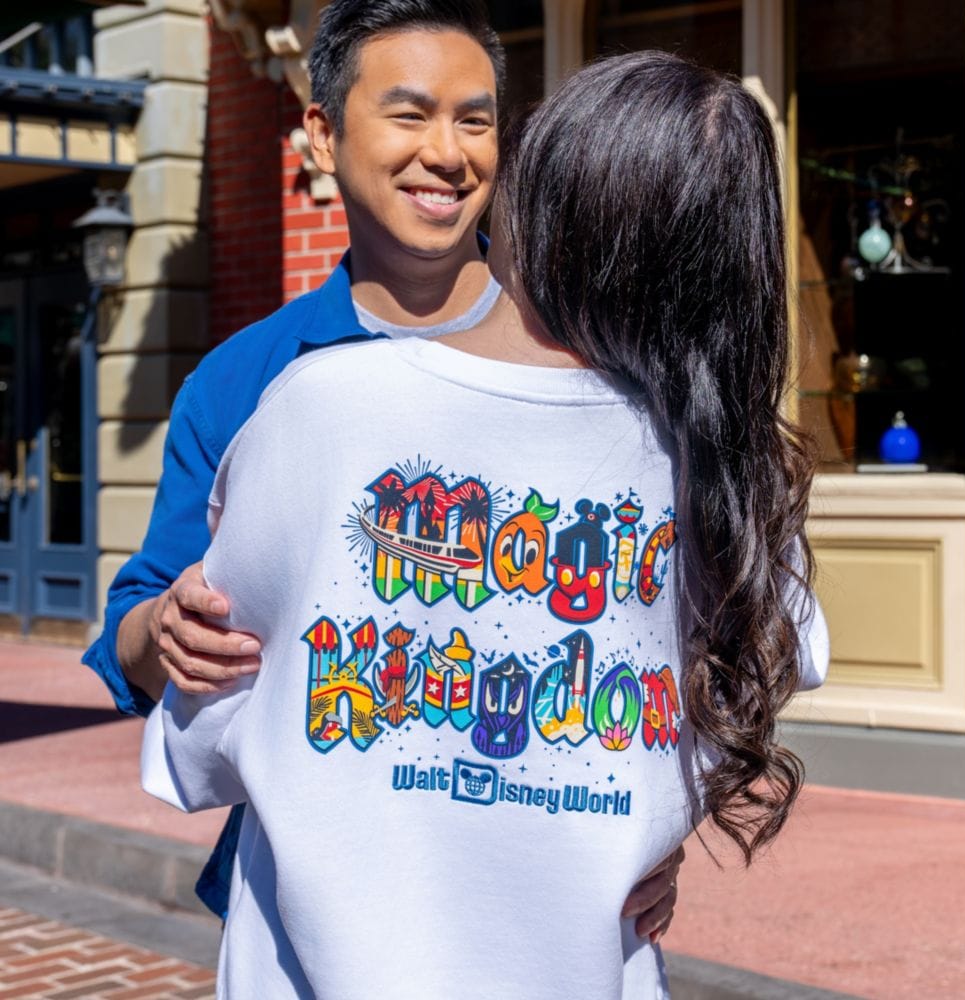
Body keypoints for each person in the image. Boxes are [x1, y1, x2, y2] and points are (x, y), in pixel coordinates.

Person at [141, 49, 828, 999]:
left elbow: (206, 736)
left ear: (531, 193)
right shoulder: (723, 465)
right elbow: (768, 672)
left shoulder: (321, 409)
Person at [85, 0, 681, 934]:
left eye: (475, 120)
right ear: (321, 133)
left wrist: (658, 817)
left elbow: (661, 630)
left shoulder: (586, 355)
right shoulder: (246, 383)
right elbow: (135, 621)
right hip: (321, 902)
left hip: (544, 896)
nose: (448, 153)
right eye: (409, 114)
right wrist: (163, 633)